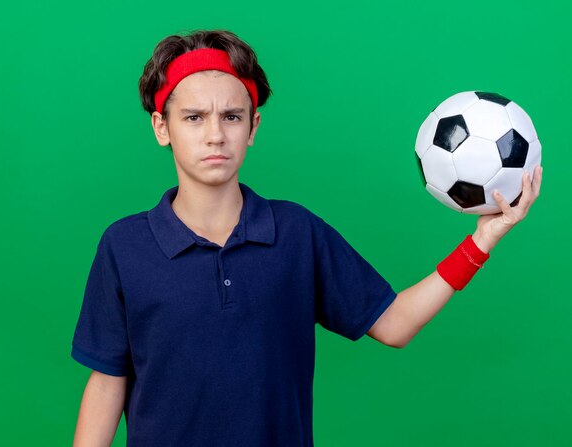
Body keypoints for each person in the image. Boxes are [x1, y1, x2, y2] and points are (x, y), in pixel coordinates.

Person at [71, 29, 542, 446]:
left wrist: (484, 238)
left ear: (253, 127)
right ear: (161, 127)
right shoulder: (124, 246)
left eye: (232, 117)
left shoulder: (296, 233)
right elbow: (109, 380)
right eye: (194, 117)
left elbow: (395, 325)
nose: (215, 134)